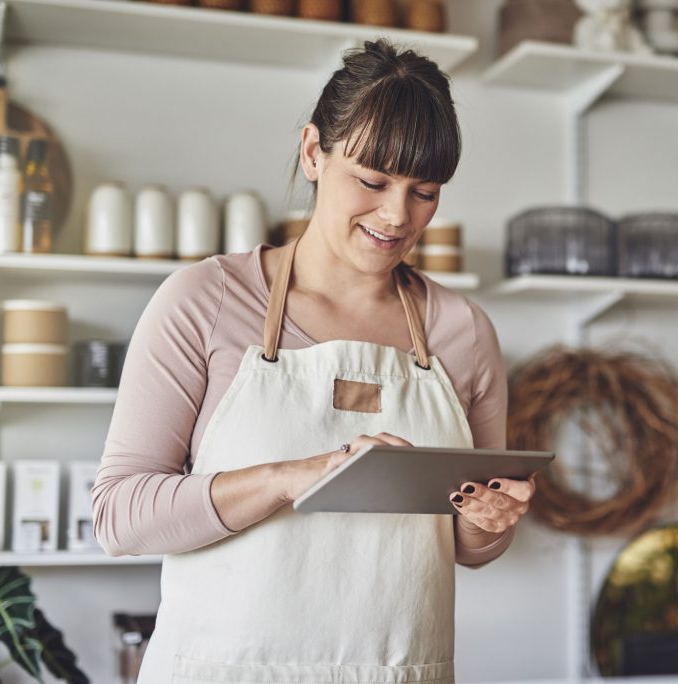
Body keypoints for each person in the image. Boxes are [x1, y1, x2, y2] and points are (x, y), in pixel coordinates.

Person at [92, 39, 535, 683]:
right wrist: (288, 478)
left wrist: (489, 523)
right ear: (312, 153)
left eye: (425, 192)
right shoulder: (208, 301)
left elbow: (471, 548)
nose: (396, 215)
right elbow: (118, 515)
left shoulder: (462, 332)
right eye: (372, 181)